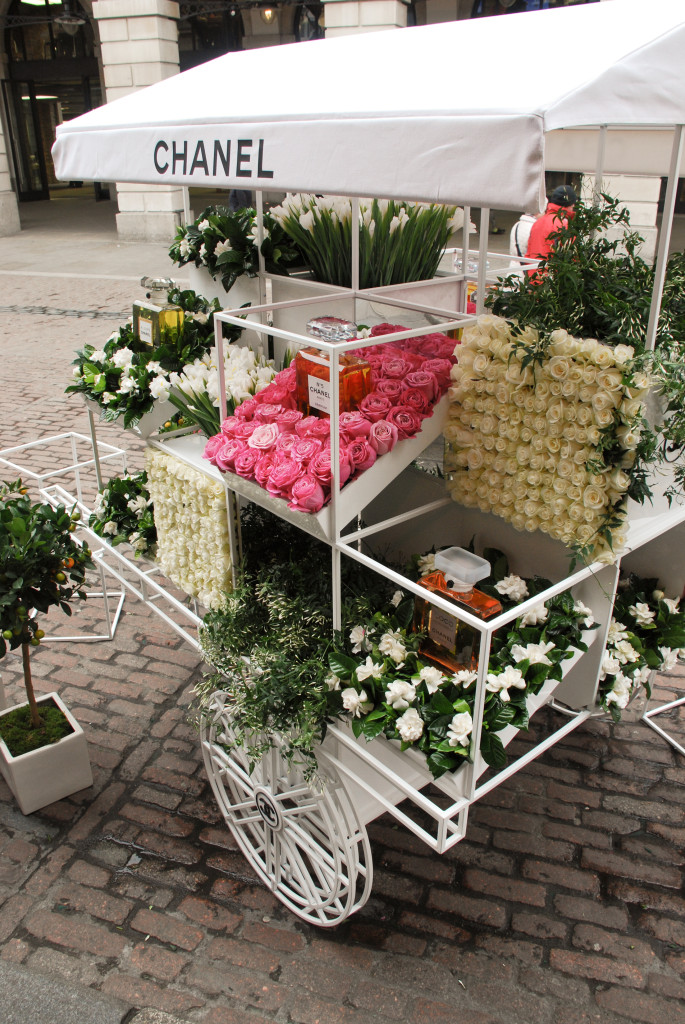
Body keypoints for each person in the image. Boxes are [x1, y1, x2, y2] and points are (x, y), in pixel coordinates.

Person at [525, 184, 577, 266]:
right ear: (569, 204)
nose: (574, 205)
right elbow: (571, 255)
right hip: (550, 274)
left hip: (534, 273)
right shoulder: (563, 224)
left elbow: (528, 253)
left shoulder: (538, 222)